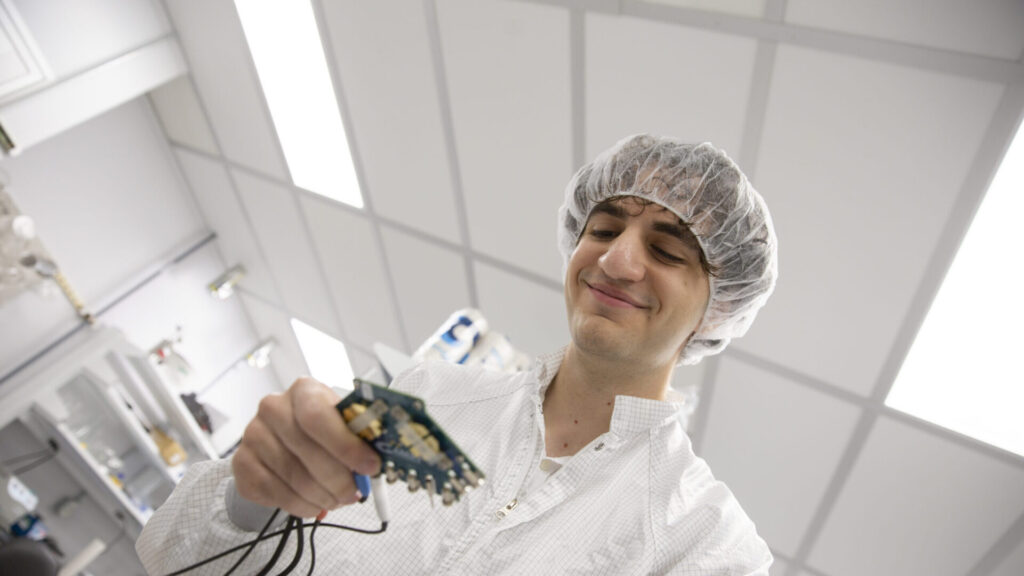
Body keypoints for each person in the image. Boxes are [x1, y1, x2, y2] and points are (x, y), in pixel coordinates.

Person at [136, 134, 778, 574]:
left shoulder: (706, 540)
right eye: (604, 229)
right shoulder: (423, 395)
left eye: (666, 250)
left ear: (717, 308)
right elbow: (170, 555)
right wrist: (253, 500)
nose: (615, 259)